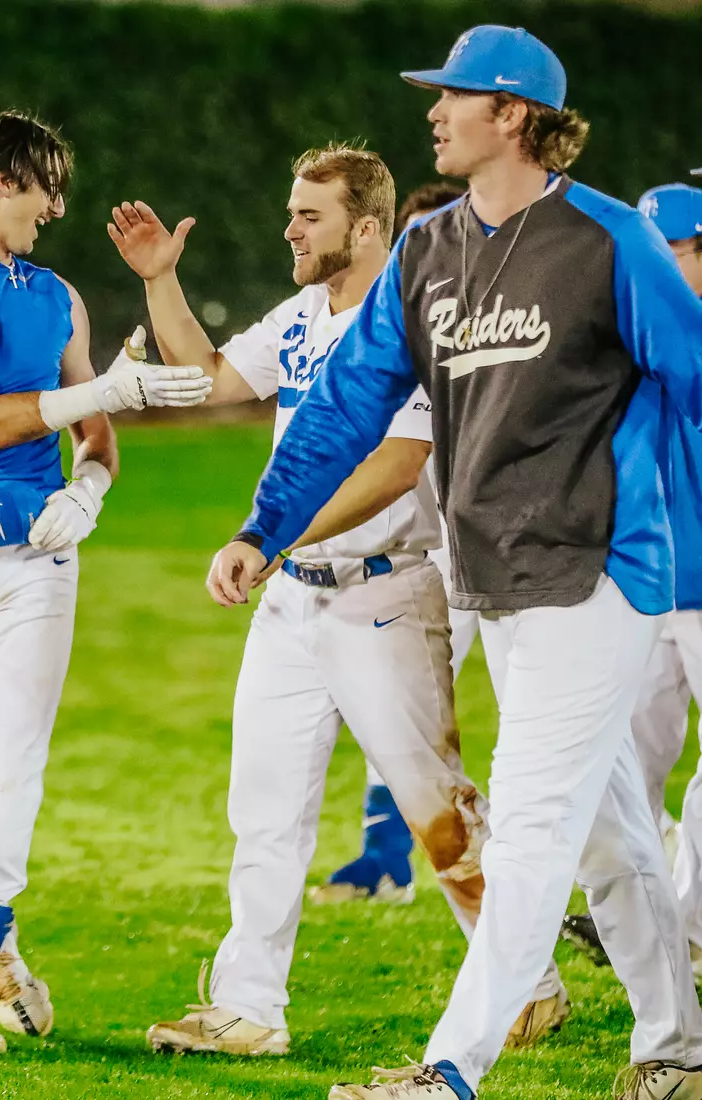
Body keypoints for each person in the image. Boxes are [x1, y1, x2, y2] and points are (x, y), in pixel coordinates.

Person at [205, 25, 702, 1100]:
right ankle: (674, 1046)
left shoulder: (610, 241)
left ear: (514, 114)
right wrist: (264, 525)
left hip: (599, 572)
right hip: (494, 579)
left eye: (454, 94)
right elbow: (343, 406)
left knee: (528, 821)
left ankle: (449, 1067)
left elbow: (696, 377)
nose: (432, 110)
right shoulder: (428, 253)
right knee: (609, 829)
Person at [108, 143, 565, 1057]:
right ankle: (249, 1008)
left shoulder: (416, 315)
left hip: (387, 596)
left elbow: (401, 466)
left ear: (366, 227)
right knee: (265, 807)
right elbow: (207, 379)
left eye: (308, 215)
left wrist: (276, 534)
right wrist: (162, 280)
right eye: (292, 211)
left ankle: (526, 979)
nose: (289, 228)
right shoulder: (303, 313)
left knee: (439, 817)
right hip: (292, 604)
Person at [0, 109, 212, 1053]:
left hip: (38, 559)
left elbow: (92, 441)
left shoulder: (58, 295)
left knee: (9, 770)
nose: (56, 209)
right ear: (1, 180)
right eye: (47, 187)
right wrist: (106, 390)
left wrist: (89, 494)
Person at [312, 181, 471, 907]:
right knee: (402, 719)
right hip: (432, 551)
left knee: (573, 737)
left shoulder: (492, 323)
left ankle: (637, 862)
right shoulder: (392, 326)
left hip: (508, 553)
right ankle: (385, 854)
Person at [561, 182, 702, 980]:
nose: (661, 264)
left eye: (676, 249)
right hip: (643, 585)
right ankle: (648, 934)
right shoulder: (624, 335)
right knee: (626, 766)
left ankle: (695, 929)